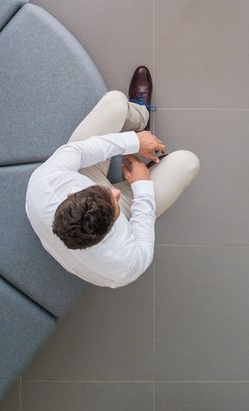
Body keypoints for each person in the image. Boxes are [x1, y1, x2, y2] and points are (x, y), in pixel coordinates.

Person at [25, 83, 199, 288]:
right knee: (188, 162)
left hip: (79, 189)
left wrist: (134, 141)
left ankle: (141, 118)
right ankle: (149, 170)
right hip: (106, 244)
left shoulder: (46, 181)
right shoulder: (126, 265)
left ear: (72, 194)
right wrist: (142, 184)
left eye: (108, 193)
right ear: (112, 228)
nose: (115, 192)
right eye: (115, 201)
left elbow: (79, 151)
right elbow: (142, 232)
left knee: (115, 101)